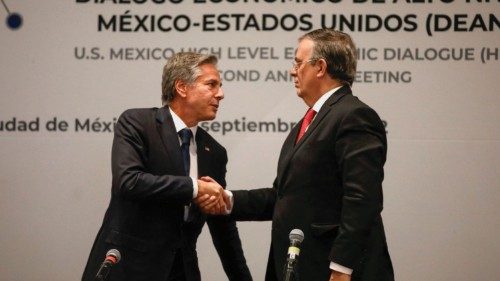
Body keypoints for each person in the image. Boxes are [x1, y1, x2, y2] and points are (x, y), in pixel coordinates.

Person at [200, 29, 394, 281]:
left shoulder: (353, 116)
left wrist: (342, 267)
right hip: (303, 265)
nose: (293, 71)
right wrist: (227, 199)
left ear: (321, 67)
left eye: (299, 63)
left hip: (335, 271)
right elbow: (282, 196)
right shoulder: (311, 121)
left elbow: (363, 199)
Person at [82, 52, 253, 281]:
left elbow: (223, 227)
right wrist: (195, 188)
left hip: (182, 272)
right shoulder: (138, 124)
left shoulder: (214, 152)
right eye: (211, 85)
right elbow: (129, 181)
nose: (220, 94)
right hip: (128, 268)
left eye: (220, 86)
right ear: (182, 87)